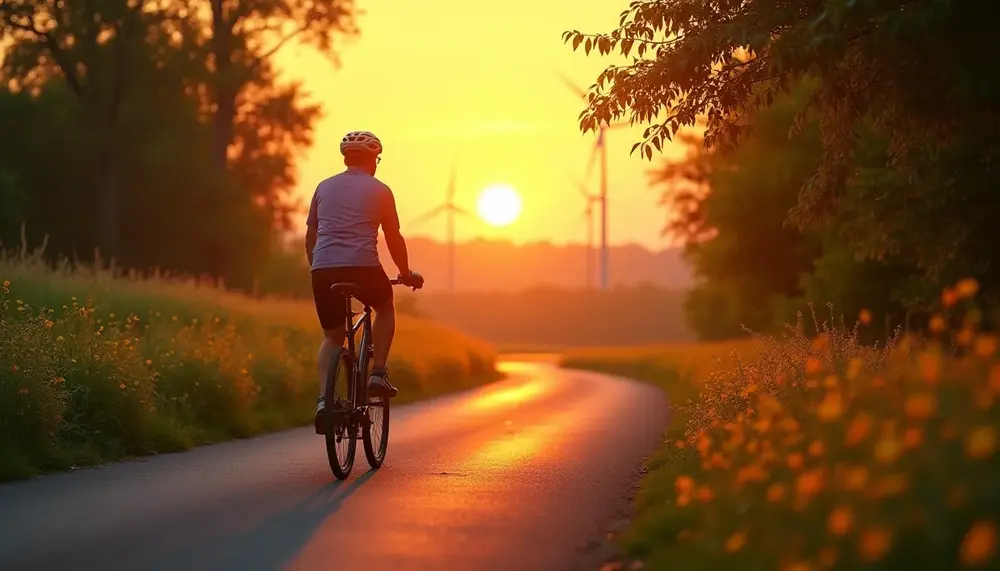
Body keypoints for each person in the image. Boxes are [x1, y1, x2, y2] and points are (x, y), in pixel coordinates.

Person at [305, 130, 423, 431]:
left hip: (323, 269)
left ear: (346, 159)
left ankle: (324, 401)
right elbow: (393, 236)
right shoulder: (380, 190)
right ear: (373, 159)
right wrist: (405, 272)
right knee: (384, 306)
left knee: (332, 338)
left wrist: (317, 267)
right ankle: (378, 373)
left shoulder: (323, 187)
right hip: (363, 267)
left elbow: (311, 236)